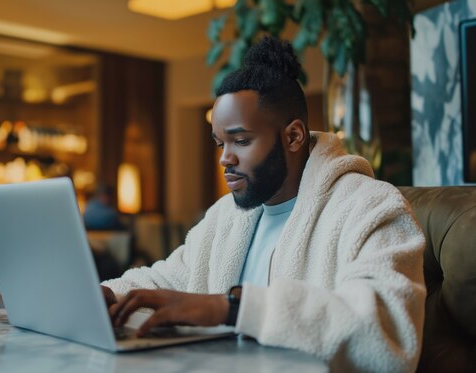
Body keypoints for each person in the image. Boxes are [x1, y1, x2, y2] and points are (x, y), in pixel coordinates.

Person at [101, 37, 425, 372]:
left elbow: (384, 334)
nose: (225, 159)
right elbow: (167, 279)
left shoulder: (371, 206)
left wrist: (233, 309)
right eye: (220, 143)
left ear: (294, 136)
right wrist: (110, 294)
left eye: (241, 141)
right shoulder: (226, 216)